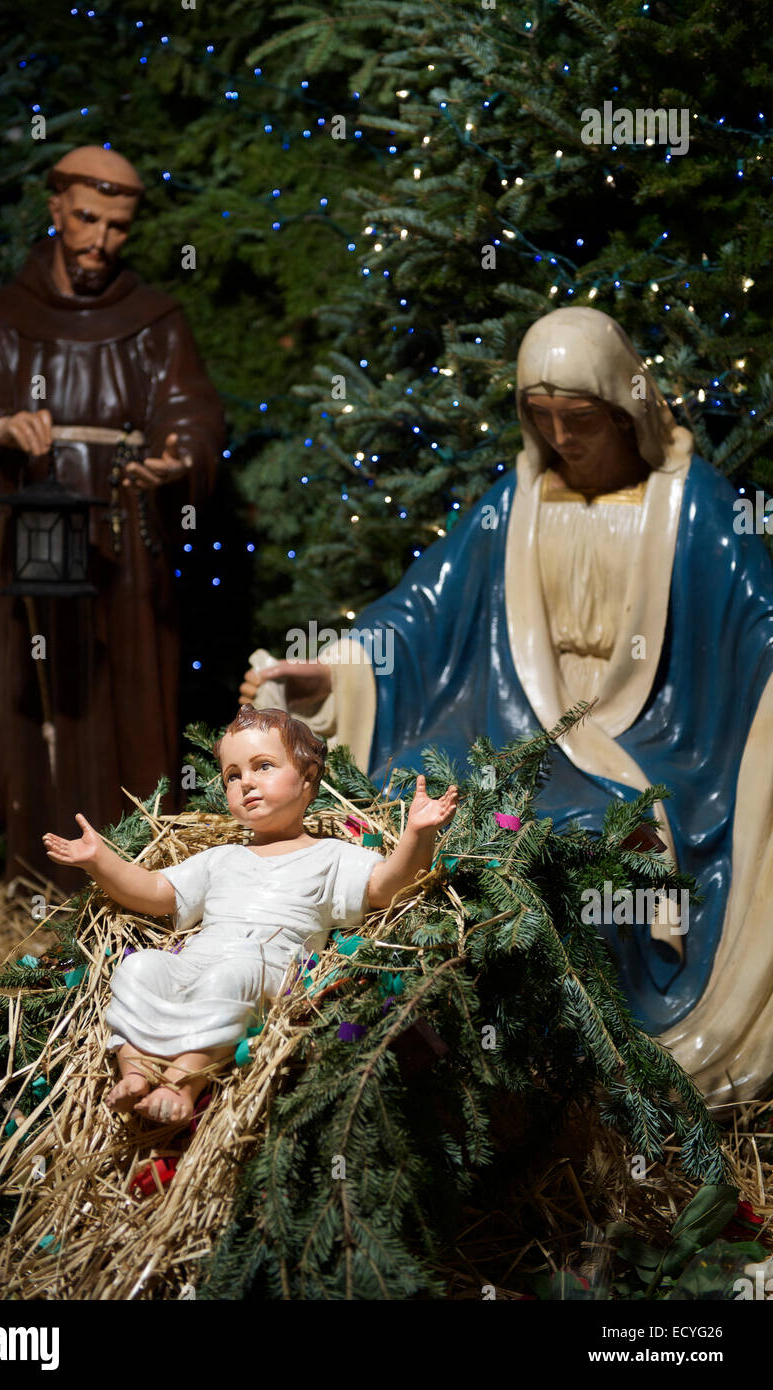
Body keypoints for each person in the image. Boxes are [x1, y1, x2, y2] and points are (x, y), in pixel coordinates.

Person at [239, 307, 773, 1105]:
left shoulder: (689, 501)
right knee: (404, 792)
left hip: (650, 742)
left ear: (626, 409)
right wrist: (337, 675)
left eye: (580, 418)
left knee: (585, 842)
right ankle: (385, 1033)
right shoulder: (515, 499)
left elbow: (756, 627)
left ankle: (585, 1058)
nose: (561, 436)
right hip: (510, 721)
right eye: (540, 417)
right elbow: (419, 616)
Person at [0, 145, 225, 894]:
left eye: (119, 227)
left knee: (133, 697)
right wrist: (2, 430)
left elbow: (192, 413)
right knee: (44, 700)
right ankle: (44, 884)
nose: (101, 241)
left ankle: (142, 881)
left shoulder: (153, 320)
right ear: (55, 208)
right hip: (39, 535)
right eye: (88, 220)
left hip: (126, 540)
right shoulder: (5, 318)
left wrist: (177, 458)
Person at [42, 705, 459, 1127]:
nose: (246, 784)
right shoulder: (221, 858)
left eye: (263, 766)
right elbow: (154, 891)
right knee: (140, 969)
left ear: (309, 779)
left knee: (234, 977)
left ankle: (182, 1085)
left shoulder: (332, 855)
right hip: (199, 959)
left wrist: (417, 835)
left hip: (266, 966)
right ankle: (133, 1072)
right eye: (233, 776)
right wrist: (99, 860)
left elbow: (388, 887)